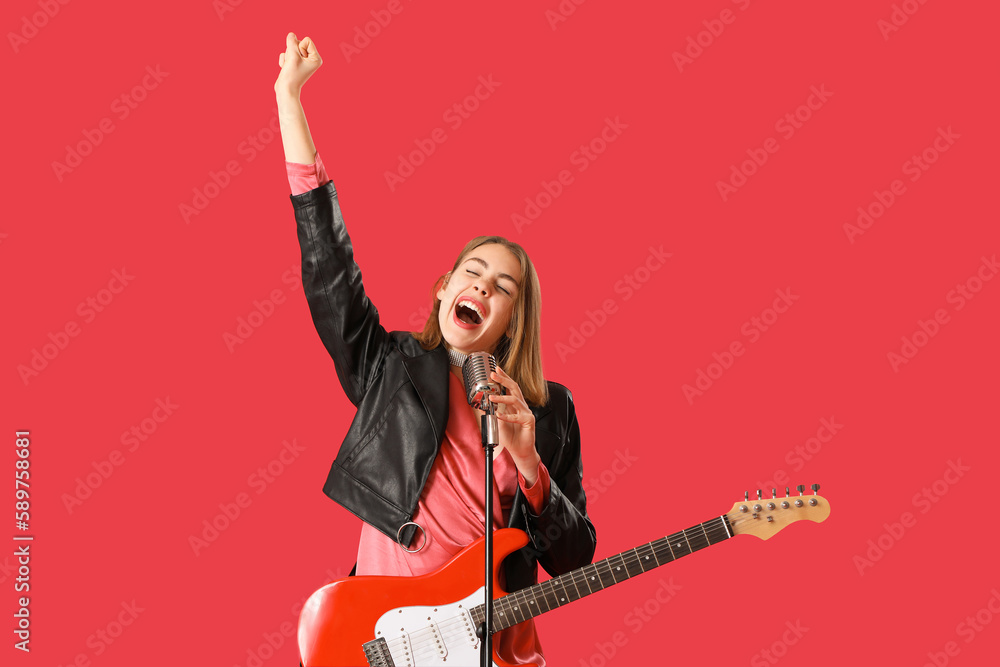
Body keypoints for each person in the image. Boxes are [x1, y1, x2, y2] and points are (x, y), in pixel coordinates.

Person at [275, 32, 596, 666]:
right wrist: (289, 99)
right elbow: (330, 270)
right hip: (385, 632)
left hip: (490, 648)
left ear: (510, 321)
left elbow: (574, 558)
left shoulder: (550, 410)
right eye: (472, 271)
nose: (482, 284)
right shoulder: (389, 369)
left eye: (502, 287)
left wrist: (531, 467)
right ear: (445, 288)